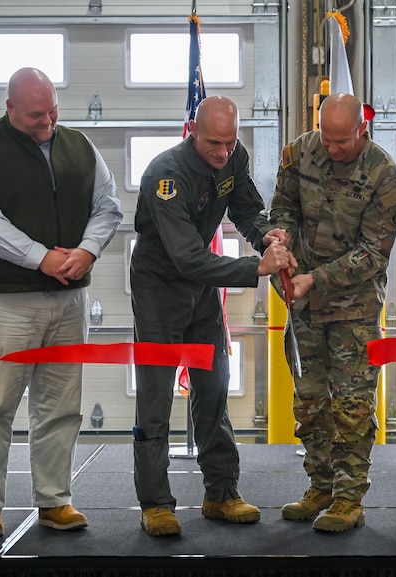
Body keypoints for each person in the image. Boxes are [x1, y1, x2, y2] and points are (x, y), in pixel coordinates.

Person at [0, 67, 123, 538]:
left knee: (61, 406)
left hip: (69, 302)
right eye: (35, 115)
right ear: (9, 108)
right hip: (3, 302)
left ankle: (54, 501)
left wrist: (87, 250)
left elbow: (108, 205)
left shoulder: (80, 146)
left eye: (52, 111)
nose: (47, 121)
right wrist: (40, 258)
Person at [130, 95, 291, 537]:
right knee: (156, 394)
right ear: (192, 132)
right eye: (214, 144)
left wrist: (267, 237)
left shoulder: (234, 156)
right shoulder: (165, 175)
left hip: (202, 289)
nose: (223, 153)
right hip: (160, 287)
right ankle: (156, 504)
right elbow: (186, 258)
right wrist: (254, 268)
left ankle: (221, 492)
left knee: (214, 386)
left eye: (230, 142)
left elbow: (246, 209)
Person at [269, 93, 396, 532]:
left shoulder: (386, 178)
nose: (331, 149)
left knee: (351, 405)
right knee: (310, 401)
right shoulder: (300, 152)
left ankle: (349, 500)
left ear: (361, 130)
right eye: (326, 139)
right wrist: (283, 251)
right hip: (303, 306)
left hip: (354, 310)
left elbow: (373, 254)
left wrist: (316, 279)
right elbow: (283, 209)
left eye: (342, 142)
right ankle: (321, 487)